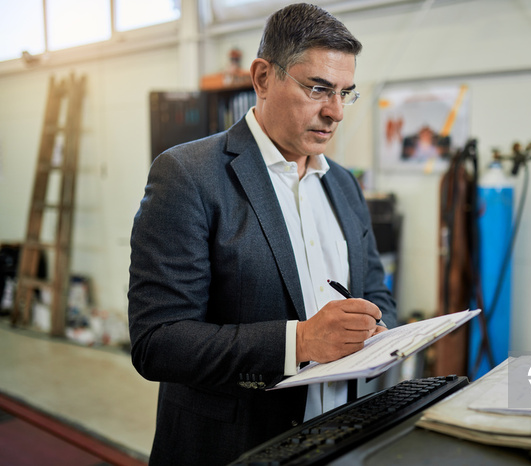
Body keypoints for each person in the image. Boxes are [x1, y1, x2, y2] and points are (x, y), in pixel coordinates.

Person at [128, 3, 397, 464]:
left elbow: (377, 290)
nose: (334, 112)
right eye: (318, 89)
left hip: (339, 439)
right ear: (262, 78)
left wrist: (378, 328)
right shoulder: (188, 175)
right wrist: (301, 341)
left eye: (345, 93)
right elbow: (159, 341)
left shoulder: (344, 185)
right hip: (233, 447)